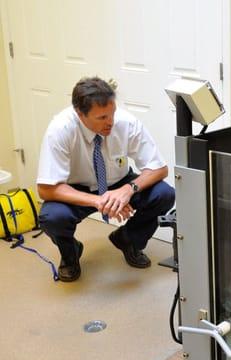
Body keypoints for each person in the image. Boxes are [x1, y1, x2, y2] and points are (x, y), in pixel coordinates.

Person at [37, 77, 175, 282]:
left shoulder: (126, 123)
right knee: (52, 217)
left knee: (164, 194)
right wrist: (99, 200)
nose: (110, 122)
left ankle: (128, 239)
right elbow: (46, 189)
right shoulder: (60, 129)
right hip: (76, 188)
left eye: (112, 113)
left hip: (119, 181)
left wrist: (129, 189)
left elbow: (159, 168)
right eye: (101, 117)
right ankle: (70, 253)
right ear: (79, 113)